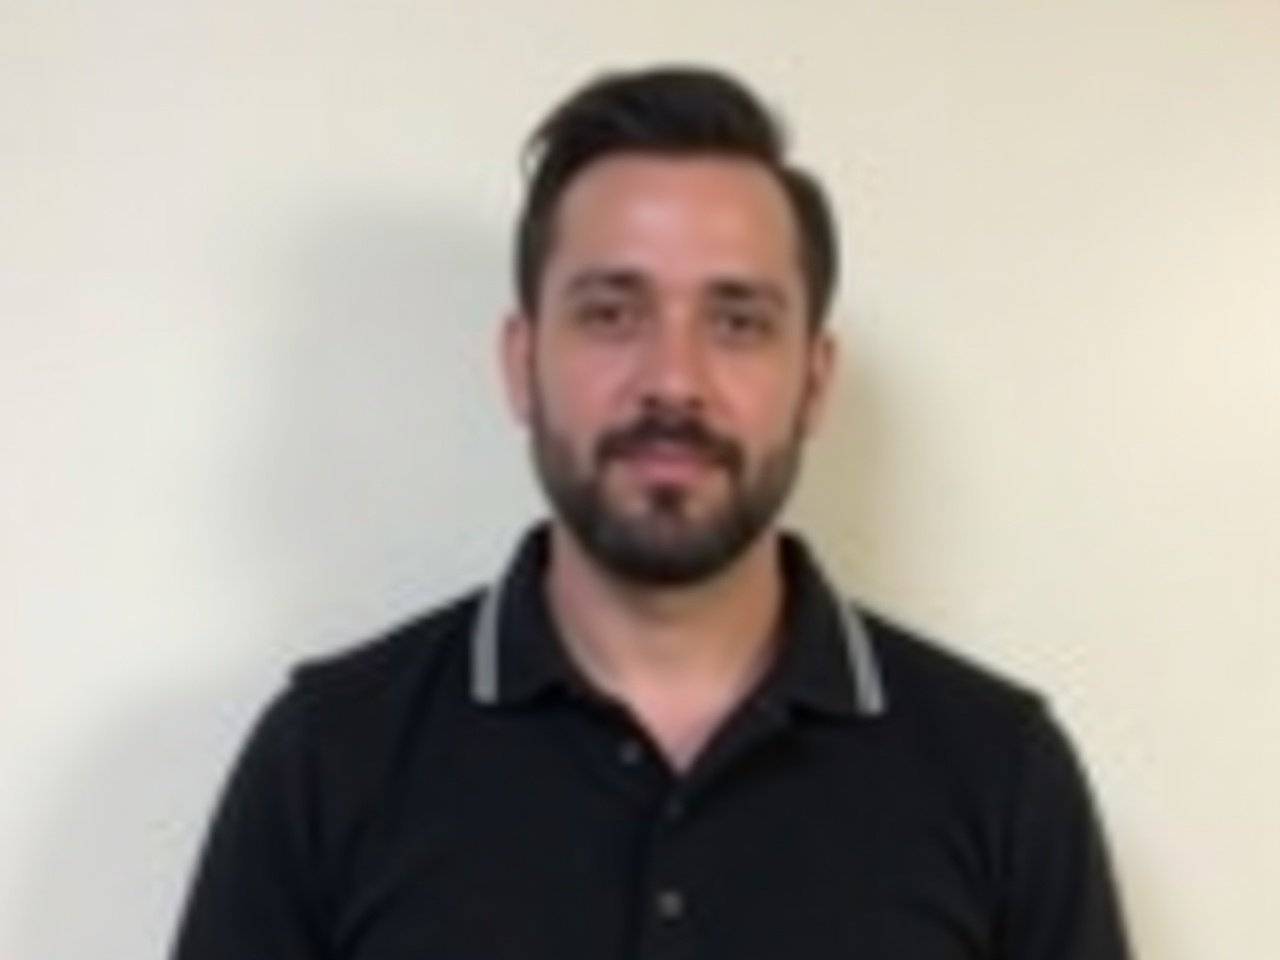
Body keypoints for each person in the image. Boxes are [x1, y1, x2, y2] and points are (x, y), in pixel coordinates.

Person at [171, 66, 1132, 960]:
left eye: (739, 322)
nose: (674, 380)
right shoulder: (328, 759)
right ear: (521, 362)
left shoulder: (1002, 775)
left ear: (813, 381)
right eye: (611, 313)